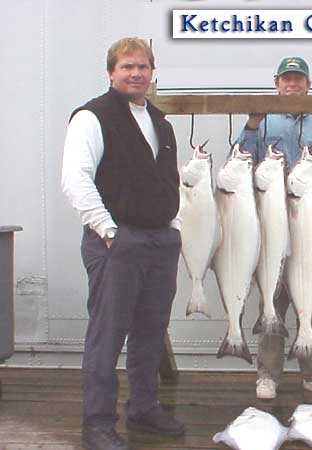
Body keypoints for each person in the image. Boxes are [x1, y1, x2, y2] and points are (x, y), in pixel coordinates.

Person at [62, 37, 184, 450]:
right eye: (127, 67)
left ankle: (144, 408)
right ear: (111, 72)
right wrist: (107, 230)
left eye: (143, 67)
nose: (136, 73)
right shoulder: (92, 117)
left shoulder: (160, 121)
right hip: (116, 242)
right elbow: (76, 179)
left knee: (151, 331)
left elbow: (170, 181)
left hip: (160, 241)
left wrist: (175, 227)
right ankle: (97, 423)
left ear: (152, 73)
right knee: (107, 335)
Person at [238, 56, 312, 400]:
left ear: (309, 85)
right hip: (272, 224)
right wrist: (251, 125)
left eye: (299, 79)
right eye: (287, 79)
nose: (293, 84)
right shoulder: (261, 122)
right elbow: (241, 159)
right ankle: (268, 374)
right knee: (272, 301)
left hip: (311, 227)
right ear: (276, 83)